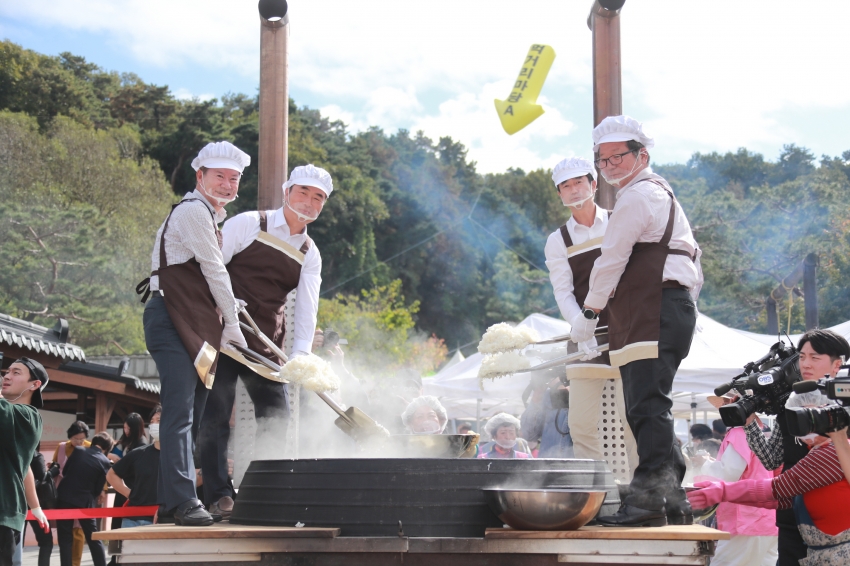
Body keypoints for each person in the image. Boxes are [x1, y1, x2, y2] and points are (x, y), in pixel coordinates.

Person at [570, 115, 703, 527]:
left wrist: (589, 313)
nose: (608, 166)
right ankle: (673, 499)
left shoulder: (637, 195)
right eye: (602, 160)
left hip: (655, 309)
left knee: (647, 407)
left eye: (617, 157)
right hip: (663, 308)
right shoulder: (658, 192)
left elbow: (611, 260)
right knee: (650, 407)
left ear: (641, 155)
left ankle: (647, 503)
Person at [200, 165, 330, 517]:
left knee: (277, 415)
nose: (309, 202)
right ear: (287, 192)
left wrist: (301, 355)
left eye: (318, 197)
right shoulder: (248, 223)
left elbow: (306, 309)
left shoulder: (309, 251)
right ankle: (219, 495)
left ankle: (260, 490)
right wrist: (222, 308)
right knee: (214, 414)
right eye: (303, 192)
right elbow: (211, 268)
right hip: (222, 331)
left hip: (263, 340)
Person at [139, 141, 250, 527]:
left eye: (234, 178)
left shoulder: (211, 218)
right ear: (199, 176)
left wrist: (231, 309)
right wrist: (233, 325)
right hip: (170, 318)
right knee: (180, 411)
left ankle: (170, 503)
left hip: (199, 326)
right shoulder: (191, 212)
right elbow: (214, 270)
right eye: (219, 175)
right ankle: (186, 500)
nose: (227, 184)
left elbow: (211, 279)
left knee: (196, 413)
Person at [544, 156, 638, 473]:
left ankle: (643, 493)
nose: (573, 190)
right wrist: (579, 327)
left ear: (594, 184)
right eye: (565, 186)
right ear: (559, 195)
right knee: (582, 423)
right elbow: (563, 291)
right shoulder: (558, 240)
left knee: (633, 421)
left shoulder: (618, 220)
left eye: (579, 182)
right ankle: (600, 493)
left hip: (629, 333)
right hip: (586, 337)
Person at [688, 391, 850, 566]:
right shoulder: (819, 450)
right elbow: (787, 498)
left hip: (834, 553)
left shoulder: (833, 451)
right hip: (779, 531)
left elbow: (781, 487)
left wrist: (721, 491)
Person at [743, 329, 850, 565]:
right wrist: (749, 422)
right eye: (802, 357)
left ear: (836, 365)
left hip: (840, 528)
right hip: (793, 518)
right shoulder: (791, 405)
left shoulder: (847, 406)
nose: (806, 364)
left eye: (815, 357)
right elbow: (771, 459)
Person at [691, 394, 778, 566]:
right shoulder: (760, 430)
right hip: (764, 520)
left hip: (746, 521)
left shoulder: (739, 432)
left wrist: (705, 464)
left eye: (727, 404)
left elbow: (728, 474)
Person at [1, 358, 49, 566]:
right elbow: (25, 466)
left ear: (34, 384)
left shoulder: (29, 417)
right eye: (7, 371)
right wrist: (36, 507)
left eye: (16, 372)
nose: (7, 376)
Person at [56, 432, 113, 566]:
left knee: (65, 538)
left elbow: (65, 472)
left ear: (93, 443)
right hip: (85, 502)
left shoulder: (79, 451)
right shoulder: (105, 461)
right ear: (106, 448)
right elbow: (98, 488)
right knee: (93, 537)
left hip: (64, 496)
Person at [107, 408, 161, 528]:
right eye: (152, 421)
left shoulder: (179, 457)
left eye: (159, 420)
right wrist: (129, 493)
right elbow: (111, 474)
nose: (154, 425)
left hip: (164, 519)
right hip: (133, 518)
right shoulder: (139, 452)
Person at [51, 421, 91, 566]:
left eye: (82, 439)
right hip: (63, 494)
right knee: (64, 531)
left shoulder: (89, 447)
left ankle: (76, 563)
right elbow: (54, 466)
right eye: (75, 439)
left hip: (81, 494)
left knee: (78, 531)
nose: (79, 442)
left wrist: (102, 490)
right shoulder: (61, 447)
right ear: (70, 437)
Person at [520, 374, 574, 458]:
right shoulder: (547, 395)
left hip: (576, 466)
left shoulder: (587, 392)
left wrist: (562, 389)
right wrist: (538, 394)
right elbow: (529, 434)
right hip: (547, 465)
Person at [109, 413, 146, 530]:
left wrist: (121, 464)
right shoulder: (124, 442)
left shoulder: (141, 444)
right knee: (117, 520)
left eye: (128, 428)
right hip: (121, 484)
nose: (125, 431)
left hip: (132, 486)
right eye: (124, 428)